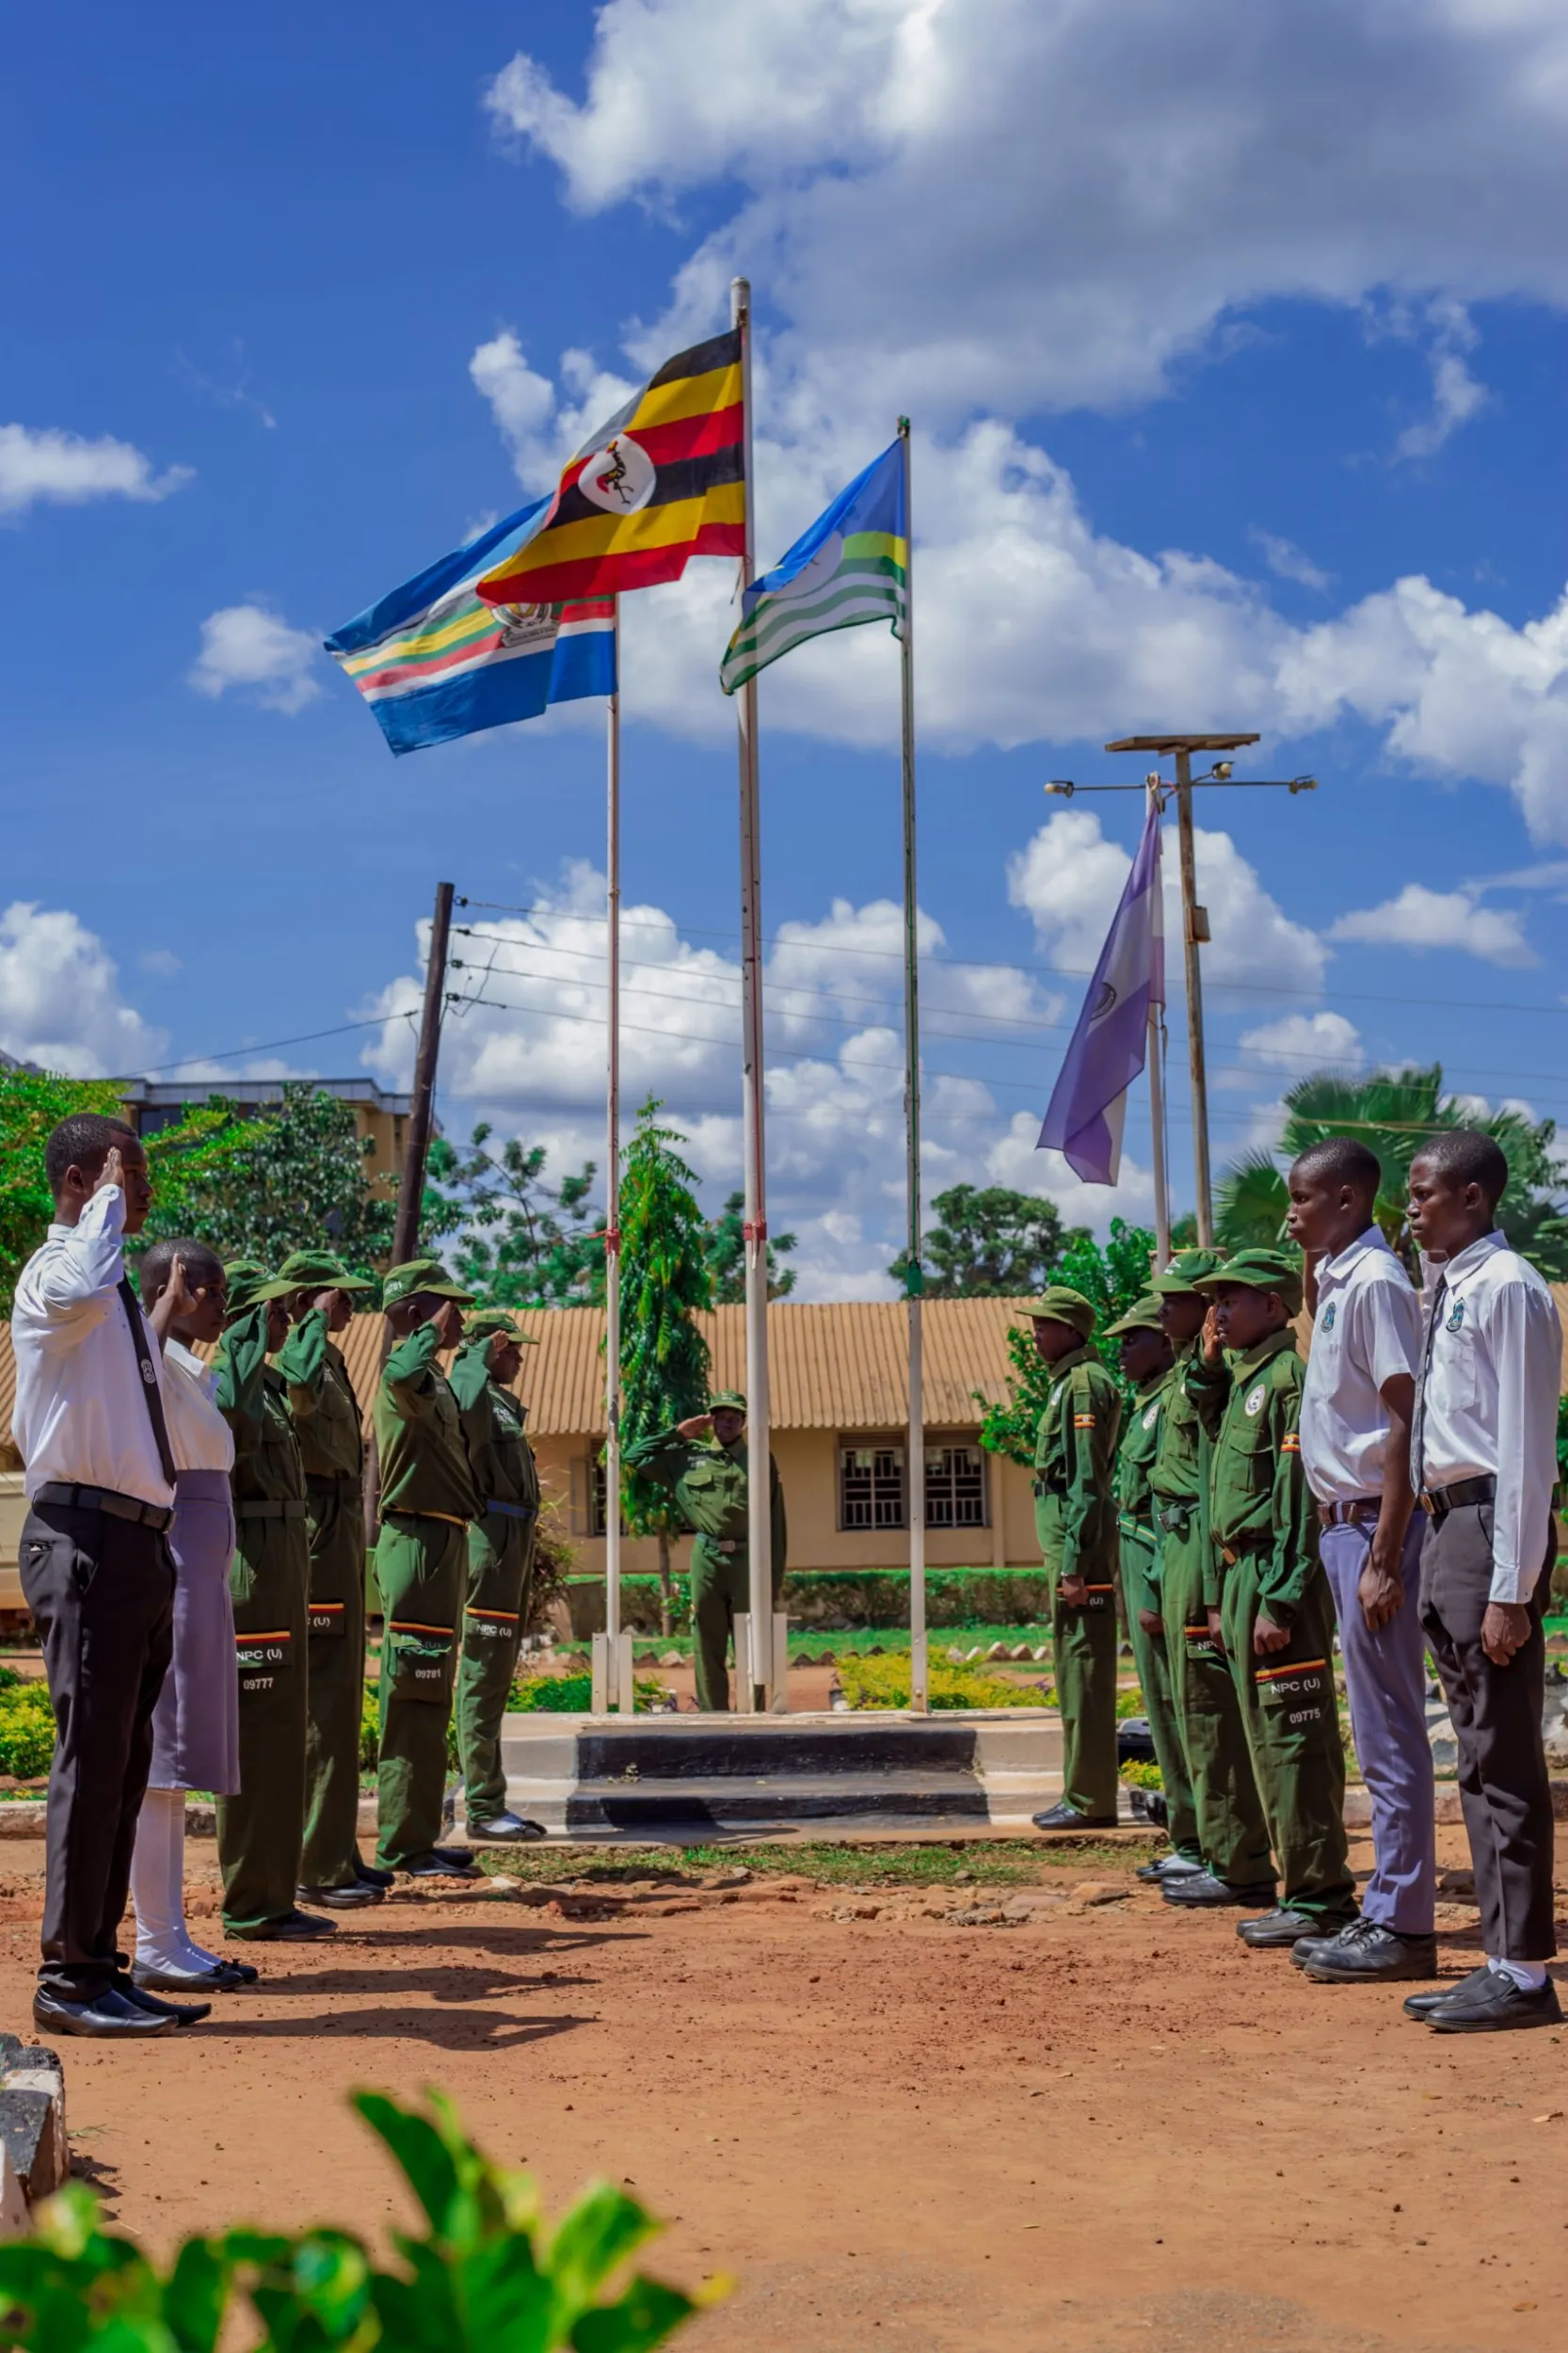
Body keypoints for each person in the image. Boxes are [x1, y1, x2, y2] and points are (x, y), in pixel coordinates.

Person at [10, 1117, 192, 2038]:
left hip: (135, 1545)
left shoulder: (115, 1298)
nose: (144, 1190)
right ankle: (67, 1979)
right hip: (82, 1537)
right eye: (130, 1173)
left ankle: (99, 1962)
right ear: (84, 1178)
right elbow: (84, 1273)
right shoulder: (57, 1275)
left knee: (122, 1764)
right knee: (92, 1763)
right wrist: (110, 1201)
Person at [1400, 1131, 1562, 2033]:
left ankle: (1527, 1974)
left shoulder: (1510, 1290)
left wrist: (1512, 1585)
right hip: (1446, 1524)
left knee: (1502, 1754)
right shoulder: (1452, 1289)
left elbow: (1526, 1448)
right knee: (1476, 1753)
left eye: (1424, 1193)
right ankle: (1504, 1960)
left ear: (1470, 1196)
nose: (1411, 1207)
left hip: (1489, 1523)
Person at [1284, 1139, 1435, 1986]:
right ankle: (1391, 1906)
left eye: (1303, 1201)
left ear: (1346, 1199)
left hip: (1373, 1527)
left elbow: (1404, 1420)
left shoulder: (1376, 1283)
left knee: (1389, 1729)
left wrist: (1383, 1555)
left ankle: (1403, 1920)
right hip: (1344, 1526)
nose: (1291, 1216)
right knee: (1376, 1725)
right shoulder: (1347, 1278)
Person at [1187, 1247, 1358, 1949]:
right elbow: (1201, 1415)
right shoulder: (1246, 1380)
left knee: (1295, 1743)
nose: (1219, 1311)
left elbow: (1295, 1501)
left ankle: (1322, 1897)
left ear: (1278, 1306)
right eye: (1216, 1300)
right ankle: (1300, 1888)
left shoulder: (1288, 1380)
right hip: (1239, 1576)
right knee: (1266, 1744)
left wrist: (1281, 1599)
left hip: (1272, 1575)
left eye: (1235, 1298)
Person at [216, 1261, 357, 1940]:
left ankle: (274, 1893)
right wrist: (242, 1339)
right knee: (258, 1734)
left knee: (282, 1734)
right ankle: (249, 1899)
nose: (284, 1321)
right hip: (254, 1561)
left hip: (287, 1556)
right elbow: (231, 1423)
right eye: (269, 1312)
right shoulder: (232, 1383)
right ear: (243, 1320)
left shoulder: (268, 1387)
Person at [129, 1242, 254, 1994]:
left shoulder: (189, 1372)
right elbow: (134, 1356)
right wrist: (164, 1303)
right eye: (215, 1294)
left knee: (178, 1771)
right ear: (181, 1292)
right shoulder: (146, 1362)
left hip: (199, 1582)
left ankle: (171, 1934)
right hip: (175, 1574)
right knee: (161, 1765)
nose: (225, 1308)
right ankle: (153, 1939)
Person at [1151, 1248, 1276, 1913]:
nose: (1161, 1308)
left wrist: (1206, 1585)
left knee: (1214, 1715)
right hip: (1181, 1546)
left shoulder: (1243, 1373)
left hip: (1209, 1551)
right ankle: (1218, 1848)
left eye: (1176, 1299)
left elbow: (1213, 1480)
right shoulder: (1194, 1370)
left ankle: (1240, 1859)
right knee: (1194, 1712)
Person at [274, 1249, 389, 1908]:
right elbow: (296, 1387)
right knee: (322, 1697)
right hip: (317, 1523)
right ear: (311, 1300)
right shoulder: (303, 1354)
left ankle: (339, 1848)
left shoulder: (339, 1360)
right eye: (338, 1296)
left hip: (343, 1520)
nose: (351, 1303)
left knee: (345, 1693)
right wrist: (310, 1323)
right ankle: (316, 1865)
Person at [374, 1258, 482, 1878]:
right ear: (418, 1312)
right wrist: (426, 1333)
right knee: (412, 1693)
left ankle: (417, 1836)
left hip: (441, 1539)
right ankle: (401, 1845)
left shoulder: (433, 1382)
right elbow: (399, 1368)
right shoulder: (407, 1373)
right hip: (415, 1541)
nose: (459, 1317)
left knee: (430, 1695)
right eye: (448, 1306)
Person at [1104, 1294, 1202, 1880]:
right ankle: (1187, 1835)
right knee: (1159, 1706)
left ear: (1163, 1345)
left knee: (1177, 1702)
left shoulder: (1171, 1401)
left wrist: (1159, 1580)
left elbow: (1175, 1499)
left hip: (1155, 1551)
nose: (1121, 1349)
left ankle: (1198, 1840)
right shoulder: (1144, 1402)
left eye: (1132, 1339)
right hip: (1134, 1546)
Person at [1023, 1287, 1123, 1833]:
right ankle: (1081, 1792)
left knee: (1084, 1671)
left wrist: (1075, 1564)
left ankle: (1088, 1799)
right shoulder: (1068, 1382)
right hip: (1066, 1545)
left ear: (1073, 1331)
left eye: (1046, 1324)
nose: (1036, 1332)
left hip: (1076, 1549)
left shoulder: (1082, 1386)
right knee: (1071, 1669)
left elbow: (1088, 1483)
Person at [622, 1390, 786, 1712]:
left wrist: (774, 1579)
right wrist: (677, 1434)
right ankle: (714, 1716)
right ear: (710, 1420)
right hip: (707, 1558)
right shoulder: (686, 1458)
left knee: (751, 1641)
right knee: (707, 1641)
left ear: (743, 1421)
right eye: (720, 1416)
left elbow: (776, 1523)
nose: (727, 1422)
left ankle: (756, 1714)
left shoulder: (759, 1459)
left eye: (734, 1417)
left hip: (747, 1560)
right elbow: (633, 1456)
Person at [449, 1309, 547, 1840]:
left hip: (513, 1542)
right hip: (491, 1542)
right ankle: (484, 1808)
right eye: (511, 1350)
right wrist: (475, 1357)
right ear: (491, 1350)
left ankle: (491, 1800)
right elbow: (462, 1401)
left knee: (497, 1675)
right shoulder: (475, 1392)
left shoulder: (503, 1406)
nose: (519, 1358)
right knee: (482, 1677)